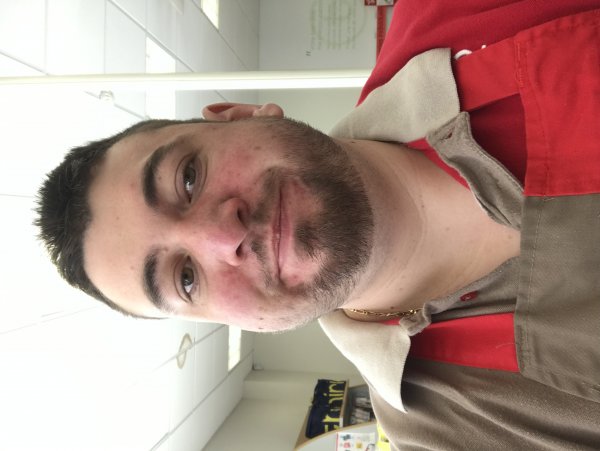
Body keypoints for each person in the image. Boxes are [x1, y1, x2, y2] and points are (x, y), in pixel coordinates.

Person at [36, 0, 600, 449]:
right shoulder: (451, 434)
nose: (223, 237)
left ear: (240, 115)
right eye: (185, 278)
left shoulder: (455, 12)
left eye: (187, 179)